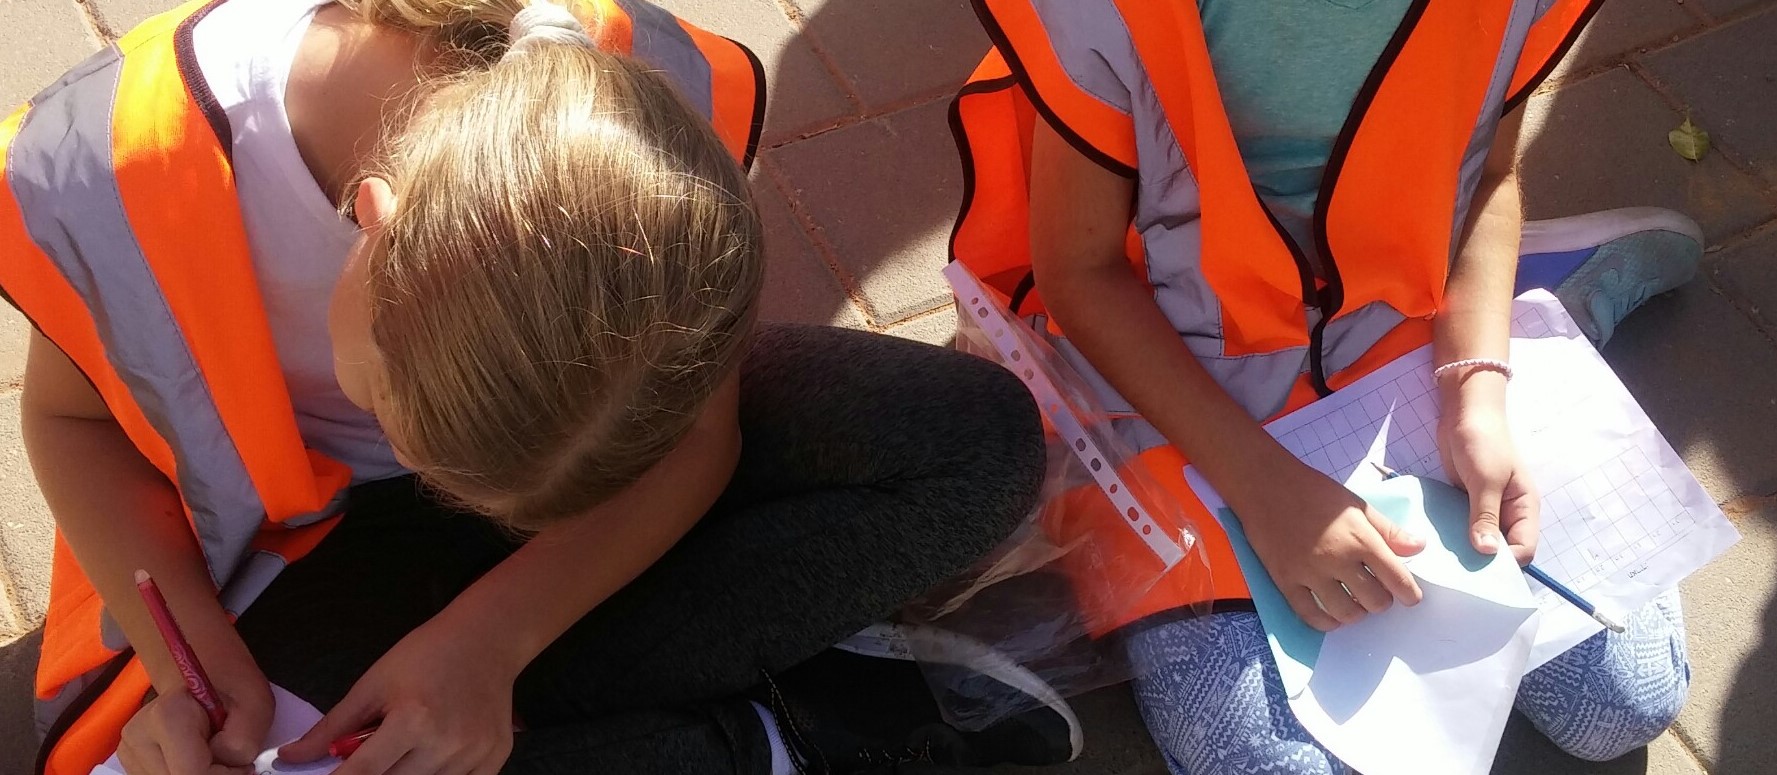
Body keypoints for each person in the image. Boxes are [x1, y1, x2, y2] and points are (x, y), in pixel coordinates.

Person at [3, 1, 1071, 773]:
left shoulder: (631, 111)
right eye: (392, 412)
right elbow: (67, 415)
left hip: (568, 510)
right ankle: (776, 727)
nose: (450, 492)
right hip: (309, 555)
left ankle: (671, 717)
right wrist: (192, 666)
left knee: (972, 441)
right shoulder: (122, 164)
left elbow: (696, 435)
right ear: (374, 226)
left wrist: (489, 639)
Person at [946, 1, 1697, 772]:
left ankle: (1520, 302)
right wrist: (1263, 488)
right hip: (1168, 375)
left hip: (1398, 324)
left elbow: (1488, 173)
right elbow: (1080, 271)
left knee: (1626, 701)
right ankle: (1545, 303)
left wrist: (1475, 382)